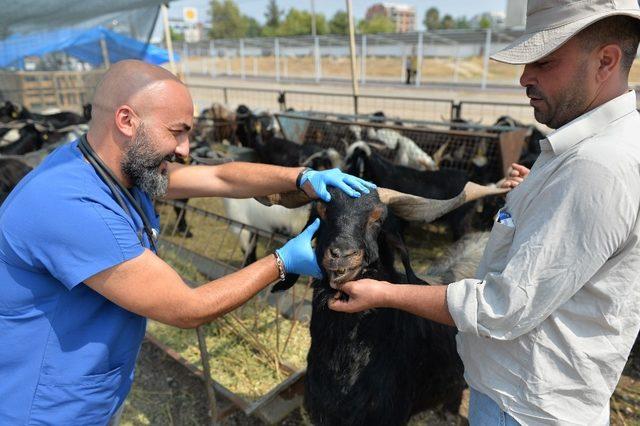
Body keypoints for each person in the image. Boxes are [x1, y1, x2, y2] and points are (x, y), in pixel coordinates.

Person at [0, 60, 375, 425]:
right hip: (46, 410)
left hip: (91, 392)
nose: (185, 149)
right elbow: (186, 307)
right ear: (127, 121)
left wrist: (302, 176)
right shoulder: (70, 206)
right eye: (176, 131)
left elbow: (220, 179)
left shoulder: (115, 169)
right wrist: (283, 261)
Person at [330, 1, 640, 424]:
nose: (524, 77)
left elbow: (503, 307)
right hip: (518, 391)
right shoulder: (585, 148)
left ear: (606, 61)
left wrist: (384, 294)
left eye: (544, 62)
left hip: (526, 408)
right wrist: (539, 192)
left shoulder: (596, 166)